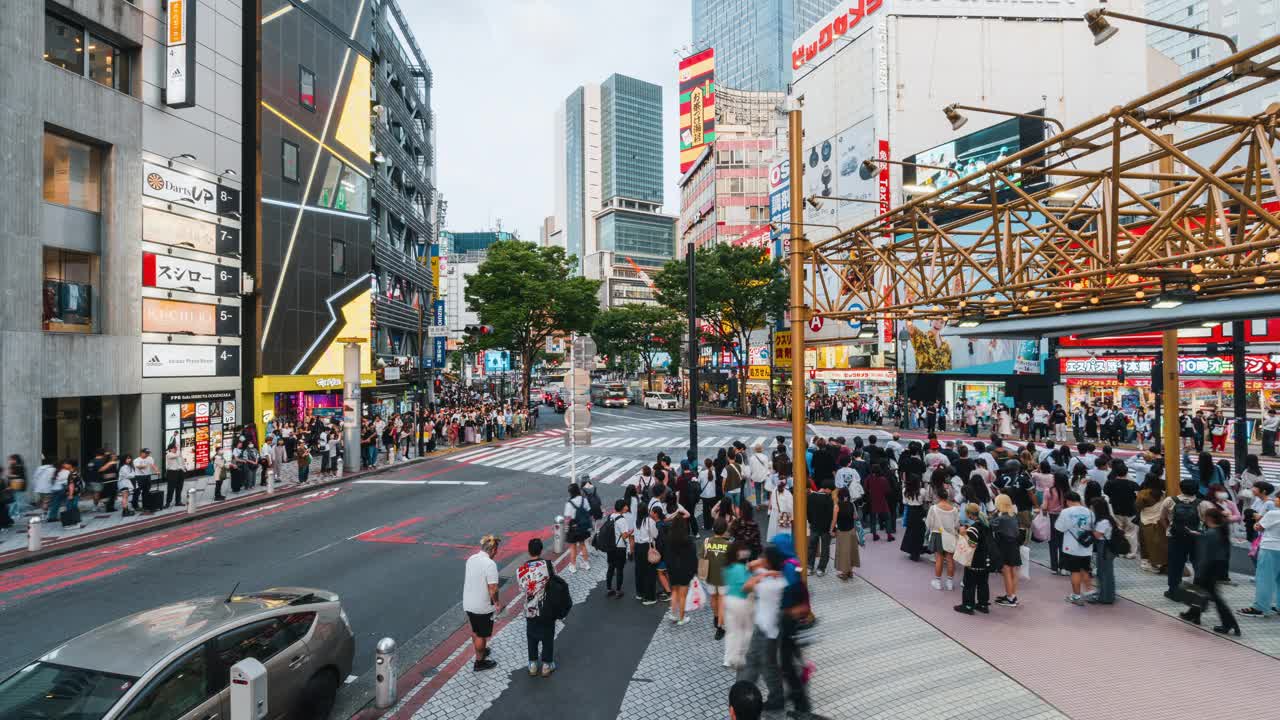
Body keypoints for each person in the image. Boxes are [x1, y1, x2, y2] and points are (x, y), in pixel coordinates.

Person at [737, 545, 788, 712]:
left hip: (768, 632)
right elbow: (750, 566)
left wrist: (764, 572)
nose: (760, 559)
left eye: (764, 557)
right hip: (764, 628)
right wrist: (764, 568)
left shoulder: (773, 584)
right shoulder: (772, 576)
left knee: (767, 667)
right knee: (756, 662)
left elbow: (745, 587)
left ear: (769, 561)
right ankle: (744, 693)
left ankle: (750, 697)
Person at [1177, 508, 1242, 634]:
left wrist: (1200, 572)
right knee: (1200, 591)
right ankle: (1194, 615)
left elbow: (1205, 555)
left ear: (1209, 518)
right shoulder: (1220, 531)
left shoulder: (1211, 534)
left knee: (1214, 597)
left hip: (1208, 569)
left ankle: (1229, 623)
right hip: (1216, 568)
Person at [1161, 479, 1214, 598]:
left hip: (1175, 537)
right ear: (1197, 489)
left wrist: (1169, 529)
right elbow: (1211, 522)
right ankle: (1202, 591)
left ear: (1181, 488)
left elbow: (1162, 518)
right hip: (1196, 538)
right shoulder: (1204, 504)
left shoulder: (1170, 500)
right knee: (1199, 564)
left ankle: (1173, 591)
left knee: (1175, 565)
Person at [517, 538, 557, 676]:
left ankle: (533, 665)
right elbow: (555, 582)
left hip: (530, 609)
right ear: (541, 550)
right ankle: (546, 665)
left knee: (532, 636)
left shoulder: (521, 570)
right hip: (547, 608)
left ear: (529, 551)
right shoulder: (549, 565)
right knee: (548, 636)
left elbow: (522, 589)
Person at [462, 535, 501, 671]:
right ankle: (480, 661)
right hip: (482, 606)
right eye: (496, 550)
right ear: (493, 549)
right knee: (481, 635)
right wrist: (496, 603)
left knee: (475, 630)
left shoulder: (471, 559)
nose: (496, 553)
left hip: (468, 603)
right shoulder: (490, 564)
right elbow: (493, 588)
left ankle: (481, 651)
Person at [1239, 498, 1280, 619]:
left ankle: (1260, 608)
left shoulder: (1273, 513)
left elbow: (1258, 527)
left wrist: (1258, 521)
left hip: (1270, 548)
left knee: (1265, 579)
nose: (1275, 499)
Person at [954, 503, 997, 615]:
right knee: (983, 583)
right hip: (986, 560)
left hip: (975, 560)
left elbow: (972, 544)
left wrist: (964, 534)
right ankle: (983, 605)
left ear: (968, 514)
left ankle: (968, 606)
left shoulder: (974, 529)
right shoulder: (986, 525)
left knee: (969, 583)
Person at [1055, 492, 1095, 606]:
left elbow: (1059, 528)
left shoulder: (1066, 512)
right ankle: (1089, 592)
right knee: (1085, 569)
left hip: (1071, 547)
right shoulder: (1090, 512)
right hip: (1087, 546)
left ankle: (1076, 596)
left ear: (1068, 501)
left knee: (1075, 571)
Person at [665, 513, 698, 626]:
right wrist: (694, 570)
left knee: (674, 591)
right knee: (683, 595)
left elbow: (667, 554)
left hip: (673, 569)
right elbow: (693, 557)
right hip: (685, 570)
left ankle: (673, 613)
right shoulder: (688, 540)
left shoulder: (669, 538)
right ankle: (682, 618)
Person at [925, 487, 960, 591]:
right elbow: (957, 525)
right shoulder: (954, 509)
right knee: (950, 559)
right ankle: (949, 582)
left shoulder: (933, 508)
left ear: (938, 496)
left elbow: (929, 523)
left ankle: (938, 582)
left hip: (937, 534)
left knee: (939, 559)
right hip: (950, 536)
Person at [702, 517, 731, 639]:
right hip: (724, 578)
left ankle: (715, 617)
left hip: (709, 575)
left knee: (713, 597)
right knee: (722, 601)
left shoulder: (707, 541)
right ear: (725, 529)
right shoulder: (729, 544)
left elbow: (702, 556)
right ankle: (720, 627)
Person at [992, 494, 1022, 607]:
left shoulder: (1001, 519)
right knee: (1013, 571)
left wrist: (994, 513)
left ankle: (1010, 598)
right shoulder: (1013, 516)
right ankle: (1012, 595)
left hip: (1004, 547)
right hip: (1014, 545)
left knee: (1006, 572)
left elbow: (990, 525)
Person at [1089, 497, 1118, 605]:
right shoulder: (1108, 518)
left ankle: (1106, 597)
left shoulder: (1103, 521)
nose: (1091, 509)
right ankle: (1106, 595)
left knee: (1104, 572)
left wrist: (1089, 529)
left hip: (1105, 547)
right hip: (1107, 547)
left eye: (1092, 508)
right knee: (1106, 572)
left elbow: (1097, 535)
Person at [604, 499, 633, 599]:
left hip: (611, 547)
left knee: (611, 568)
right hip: (619, 547)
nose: (627, 507)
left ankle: (608, 588)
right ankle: (618, 591)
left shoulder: (611, 516)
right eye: (626, 506)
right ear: (622, 507)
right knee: (620, 570)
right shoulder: (622, 520)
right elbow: (625, 536)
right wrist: (630, 532)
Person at [563, 483, 592, 573]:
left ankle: (573, 566)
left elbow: (567, 518)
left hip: (573, 527)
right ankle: (586, 563)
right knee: (583, 545)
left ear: (570, 493)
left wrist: (565, 528)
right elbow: (588, 511)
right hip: (583, 526)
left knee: (573, 547)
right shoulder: (584, 500)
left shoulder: (569, 503)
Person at [806, 482, 834, 576]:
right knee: (825, 548)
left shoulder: (811, 497)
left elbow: (808, 512)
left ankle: (810, 567)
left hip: (814, 526)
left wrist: (811, 521)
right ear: (827, 489)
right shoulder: (828, 499)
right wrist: (831, 528)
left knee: (812, 547)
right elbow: (831, 515)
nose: (831, 492)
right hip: (825, 528)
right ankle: (821, 569)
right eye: (831, 490)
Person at [834, 487, 861, 580]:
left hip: (842, 531)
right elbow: (855, 517)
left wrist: (831, 530)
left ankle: (844, 573)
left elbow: (834, 520)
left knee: (843, 552)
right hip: (852, 531)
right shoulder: (852, 504)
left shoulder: (837, 506)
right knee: (852, 550)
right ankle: (850, 571)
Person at [766, 470, 793, 541]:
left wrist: (769, 511)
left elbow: (771, 502)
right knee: (784, 533)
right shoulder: (787, 493)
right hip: (784, 514)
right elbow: (790, 506)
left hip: (774, 513)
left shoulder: (774, 490)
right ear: (786, 483)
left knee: (775, 531)